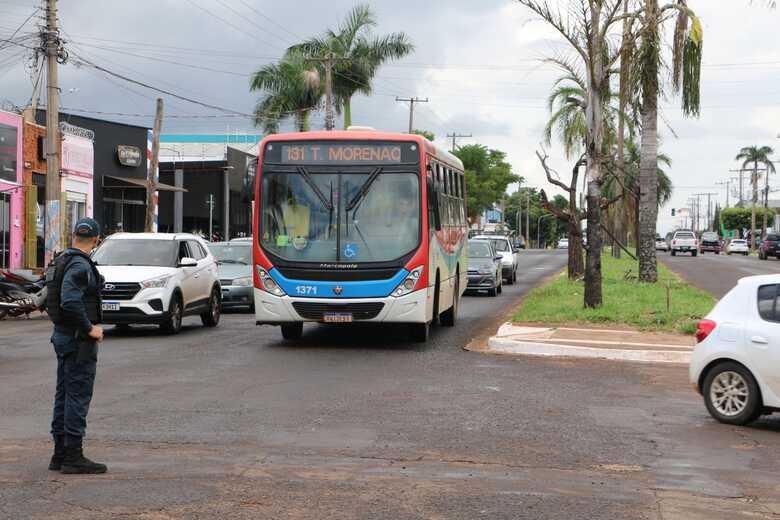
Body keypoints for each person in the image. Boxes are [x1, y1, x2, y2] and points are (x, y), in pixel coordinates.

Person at [46, 217, 107, 474]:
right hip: (77, 339)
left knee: (64, 395)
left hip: (63, 336)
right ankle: (72, 456)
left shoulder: (61, 259)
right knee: (77, 396)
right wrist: (89, 328)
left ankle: (60, 454)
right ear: (96, 240)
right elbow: (70, 301)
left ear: (74, 236)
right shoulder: (79, 265)